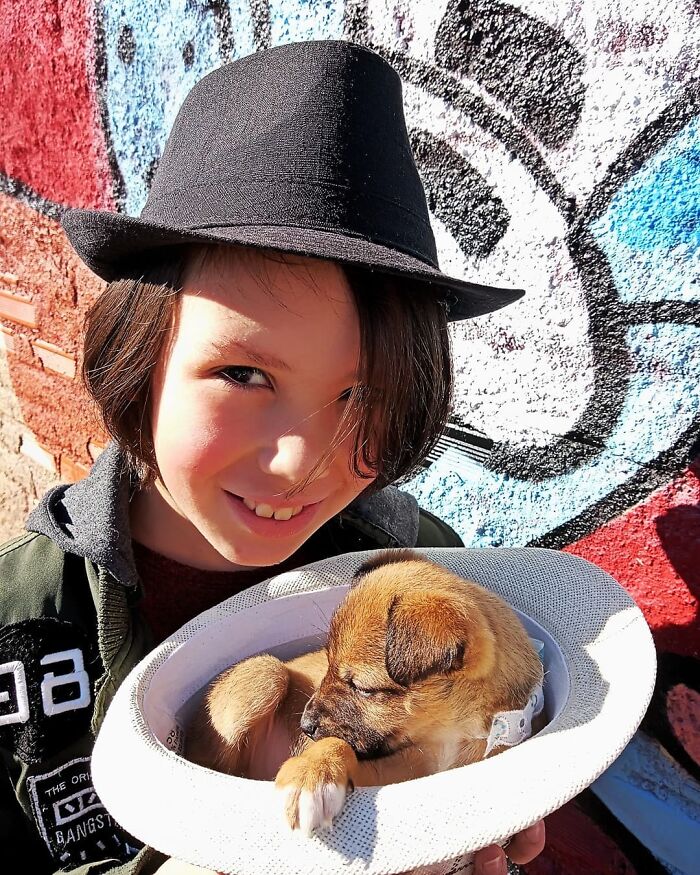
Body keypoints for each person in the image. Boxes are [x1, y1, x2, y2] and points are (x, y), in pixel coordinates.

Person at [0, 40, 545, 875]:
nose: (298, 462)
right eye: (244, 373)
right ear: (139, 351)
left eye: (360, 397)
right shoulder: (18, 621)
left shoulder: (431, 572)